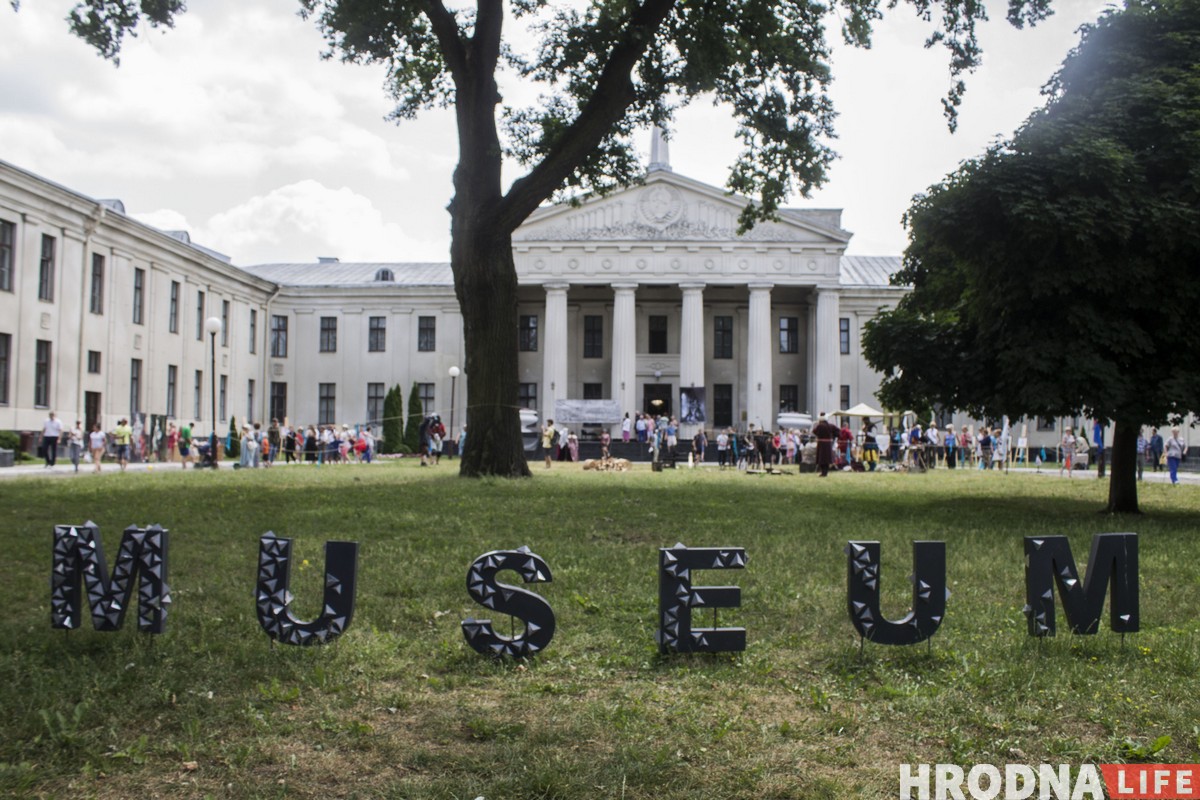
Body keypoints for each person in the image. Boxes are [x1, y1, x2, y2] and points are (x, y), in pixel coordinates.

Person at [813, 412, 837, 477]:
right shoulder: (831, 426)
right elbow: (838, 431)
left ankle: (823, 472)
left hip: (821, 444)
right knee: (826, 459)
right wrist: (833, 437)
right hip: (828, 444)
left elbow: (814, 431)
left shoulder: (819, 426)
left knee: (821, 458)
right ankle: (825, 472)